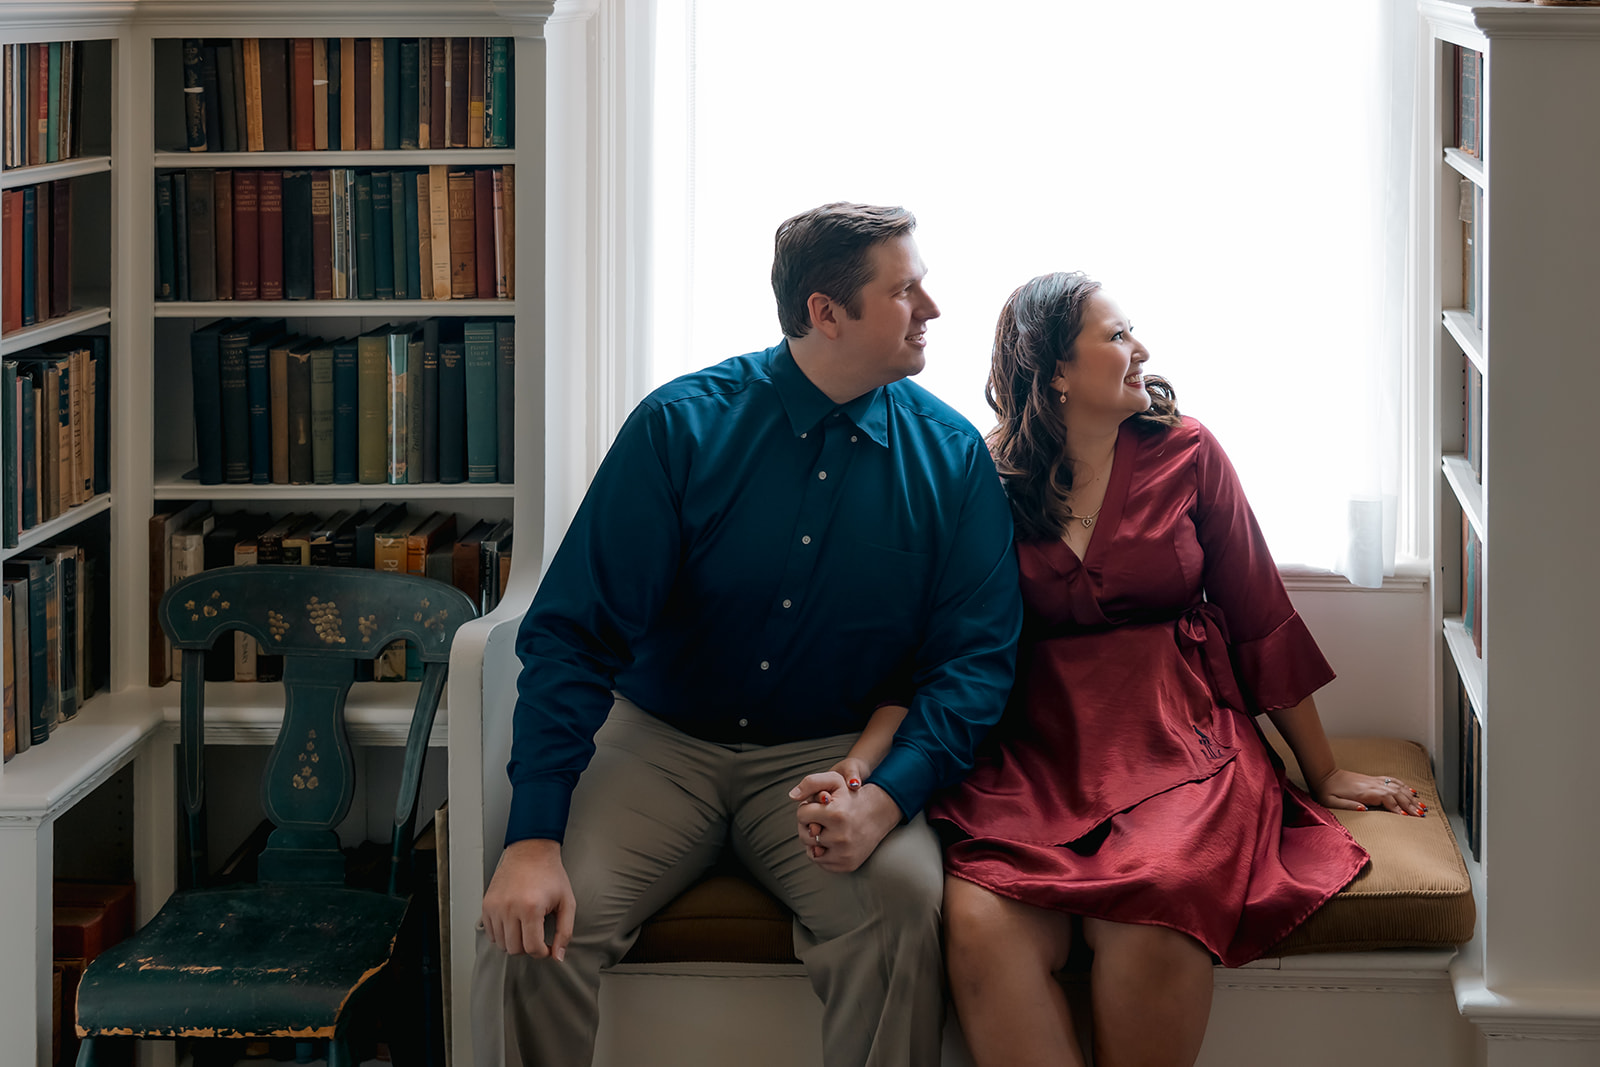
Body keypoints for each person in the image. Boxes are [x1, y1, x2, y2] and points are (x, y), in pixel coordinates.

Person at [473, 202, 1022, 1067]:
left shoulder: (950, 458)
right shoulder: (680, 427)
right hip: (657, 745)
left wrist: (888, 796)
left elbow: (975, 665)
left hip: (834, 757)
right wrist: (534, 833)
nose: (933, 309)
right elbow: (574, 633)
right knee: (533, 918)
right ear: (825, 311)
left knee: (903, 902)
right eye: (905, 290)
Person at [929, 272, 1426, 1067]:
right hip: (1037, 756)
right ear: (1055, 369)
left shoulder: (1189, 451)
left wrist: (1321, 769)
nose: (1142, 350)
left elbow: (1258, 612)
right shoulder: (986, 479)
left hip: (1181, 738)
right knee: (983, 923)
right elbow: (952, 643)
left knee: (1155, 902)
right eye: (1118, 335)